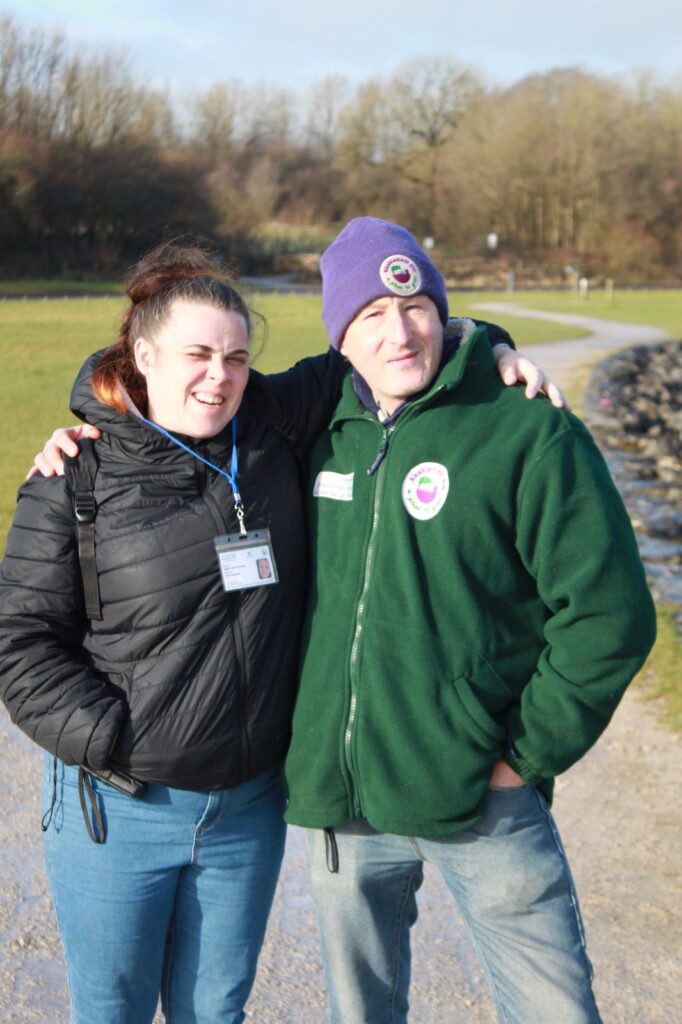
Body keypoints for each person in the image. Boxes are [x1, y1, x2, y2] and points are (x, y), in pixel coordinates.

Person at [0, 238, 564, 1024]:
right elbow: (19, 642)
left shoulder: (271, 419)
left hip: (246, 811)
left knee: (216, 1010)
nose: (218, 376)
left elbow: (391, 336)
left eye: (236, 357)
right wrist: (113, 737)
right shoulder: (75, 477)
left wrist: (490, 345)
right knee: (110, 1010)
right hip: (120, 809)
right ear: (143, 353)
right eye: (197, 354)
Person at [282, 217, 657, 1023]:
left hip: (484, 797)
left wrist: (523, 754)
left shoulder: (528, 426)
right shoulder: (320, 435)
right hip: (342, 798)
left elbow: (610, 614)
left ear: (442, 311)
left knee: (554, 1011)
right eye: (371, 315)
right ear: (339, 337)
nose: (399, 331)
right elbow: (188, 413)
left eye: (414, 305)